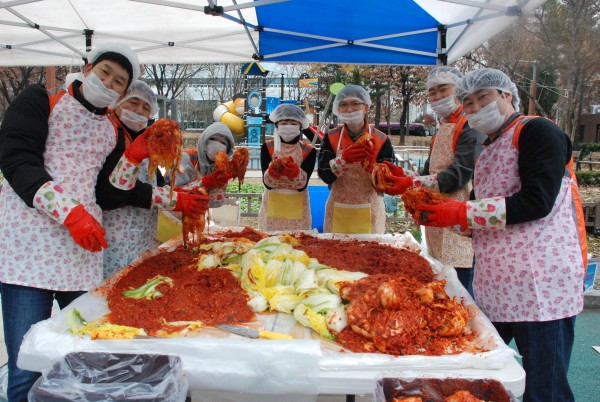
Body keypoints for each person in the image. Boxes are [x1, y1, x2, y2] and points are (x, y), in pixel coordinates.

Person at [414, 68, 587, 402]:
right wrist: (445, 217)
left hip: (540, 287)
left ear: (507, 96)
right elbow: (485, 212)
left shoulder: (538, 131)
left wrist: (461, 211)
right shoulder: (490, 148)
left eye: (484, 98)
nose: (476, 107)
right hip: (497, 284)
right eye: (469, 102)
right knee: (483, 373)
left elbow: (536, 202)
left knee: (544, 388)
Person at [0, 42, 139, 401]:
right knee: (27, 362)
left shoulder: (110, 128)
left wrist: (132, 159)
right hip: (29, 254)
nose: (108, 82)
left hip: (81, 255)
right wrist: (70, 212)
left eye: (119, 81)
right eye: (105, 72)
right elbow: (17, 160)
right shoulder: (40, 99)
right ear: (88, 67)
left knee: (87, 355)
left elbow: (110, 195)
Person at [382, 67, 485, 296]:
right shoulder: (441, 129)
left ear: (460, 89)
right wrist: (404, 175)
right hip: (437, 221)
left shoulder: (469, 125)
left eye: (443, 90)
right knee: (442, 285)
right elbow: (429, 172)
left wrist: (411, 184)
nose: (437, 97)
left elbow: (459, 175)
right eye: (432, 93)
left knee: (461, 293)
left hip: (459, 219)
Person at [96, 80, 208, 278]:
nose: (139, 110)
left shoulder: (148, 143)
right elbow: (122, 193)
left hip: (143, 238)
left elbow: (157, 185)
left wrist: (187, 192)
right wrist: (176, 200)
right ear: (118, 101)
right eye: (133, 102)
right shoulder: (107, 136)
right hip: (114, 243)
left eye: (146, 107)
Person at [318, 84, 394, 234]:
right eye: (343, 105)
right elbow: (324, 174)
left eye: (355, 104)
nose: (349, 109)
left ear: (366, 108)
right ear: (338, 110)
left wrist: (373, 167)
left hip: (370, 211)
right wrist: (343, 159)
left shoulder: (381, 139)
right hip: (338, 210)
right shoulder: (331, 137)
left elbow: (388, 183)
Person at [258, 104, 317, 231]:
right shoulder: (268, 148)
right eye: (284, 122)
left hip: (298, 212)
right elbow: (267, 183)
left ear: (300, 125)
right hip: (272, 210)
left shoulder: (309, 150)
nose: (288, 126)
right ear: (277, 125)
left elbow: (302, 186)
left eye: (293, 122)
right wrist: (272, 173)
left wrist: (296, 174)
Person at [196, 122, 236, 208]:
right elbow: (175, 193)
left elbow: (216, 203)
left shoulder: (223, 168)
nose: (217, 145)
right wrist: (206, 182)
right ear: (204, 141)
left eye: (223, 143)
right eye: (213, 139)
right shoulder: (188, 159)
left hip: (210, 216)